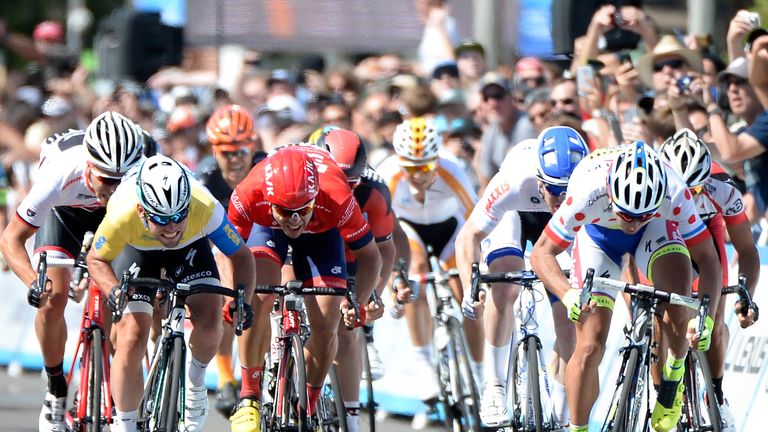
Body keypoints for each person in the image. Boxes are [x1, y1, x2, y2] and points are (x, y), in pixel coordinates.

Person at [530, 141, 722, 432]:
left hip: (657, 231)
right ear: (610, 193)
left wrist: (706, 317)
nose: (632, 224)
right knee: (590, 344)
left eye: (641, 214)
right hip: (598, 237)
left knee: (680, 300)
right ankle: (577, 428)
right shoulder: (587, 192)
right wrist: (567, 294)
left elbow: (709, 260)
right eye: (627, 215)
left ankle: (673, 374)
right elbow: (541, 253)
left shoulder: (675, 192)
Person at [86, 155, 256, 432]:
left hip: (189, 248)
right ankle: (125, 422)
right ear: (142, 211)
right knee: (131, 334)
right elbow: (96, 260)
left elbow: (241, 256)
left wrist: (242, 301)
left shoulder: (204, 207)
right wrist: (113, 290)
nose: (172, 227)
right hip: (137, 249)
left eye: (179, 216)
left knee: (211, 318)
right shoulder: (122, 214)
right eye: (162, 220)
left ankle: (195, 382)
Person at [0, 111, 144, 432]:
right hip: (64, 216)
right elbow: (11, 238)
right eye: (107, 180)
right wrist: (33, 282)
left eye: (122, 180)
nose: (114, 188)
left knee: (121, 298)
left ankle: (114, 375)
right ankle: (55, 388)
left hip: (115, 222)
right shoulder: (61, 173)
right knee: (54, 298)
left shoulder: (139, 177)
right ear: (90, 167)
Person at [226, 144, 382, 432]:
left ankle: (307, 404)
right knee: (257, 295)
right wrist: (233, 295)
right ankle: (249, 396)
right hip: (267, 229)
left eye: (302, 210)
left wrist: (357, 302)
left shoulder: (337, 197)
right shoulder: (250, 192)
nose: (295, 219)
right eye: (286, 211)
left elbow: (372, 258)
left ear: (315, 197)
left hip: (323, 235)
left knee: (327, 326)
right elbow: (227, 251)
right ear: (270, 200)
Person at [456, 126, 588, 427]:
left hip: (562, 229)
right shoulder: (515, 180)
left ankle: (560, 412)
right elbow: (468, 237)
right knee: (504, 284)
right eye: (553, 191)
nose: (559, 199)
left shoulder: (589, 187)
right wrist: (470, 288)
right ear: (540, 180)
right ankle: (494, 385)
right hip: (514, 214)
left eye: (567, 192)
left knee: (570, 318)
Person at [377, 117, 483, 410]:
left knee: (468, 299)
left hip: (450, 229)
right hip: (407, 229)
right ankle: (424, 365)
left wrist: (475, 269)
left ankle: (480, 373)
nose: (417, 175)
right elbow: (380, 236)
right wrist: (393, 280)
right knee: (417, 272)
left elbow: (477, 221)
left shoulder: (451, 169)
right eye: (409, 167)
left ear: (436, 160)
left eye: (424, 167)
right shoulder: (388, 174)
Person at [658, 129, 760, 428]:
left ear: (706, 182)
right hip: (664, 234)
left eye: (695, 192)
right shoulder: (655, 186)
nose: (687, 199)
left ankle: (715, 395)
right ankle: (660, 392)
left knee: (712, 320)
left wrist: (746, 297)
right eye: (681, 192)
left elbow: (748, 252)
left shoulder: (723, 189)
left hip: (705, 232)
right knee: (659, 318)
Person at [312, 127, 411, 432]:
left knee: (346, 327)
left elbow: (384, 251)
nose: (343, 189)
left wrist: (368, 299)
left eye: (350, 182)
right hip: (313, 243)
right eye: (336, 180)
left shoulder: (374, 191)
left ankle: (350, 419)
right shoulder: (304, 178)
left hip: (355, 253)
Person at [195, 104, 266, 416]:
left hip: (259, 241)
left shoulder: (266, 168)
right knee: (226, 293)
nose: (235, 159)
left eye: (241, 151)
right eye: (226, 153)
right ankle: (225, 377)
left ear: (253, 146)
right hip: (220, 245)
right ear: (214, 151)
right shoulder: (205, 177)